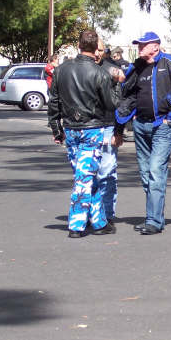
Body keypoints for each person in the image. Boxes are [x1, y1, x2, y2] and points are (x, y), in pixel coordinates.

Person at [116, 31, 171, 235]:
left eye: (143, 44)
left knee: (156, 171)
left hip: (162, 127)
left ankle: (153, 221)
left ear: (155, 46)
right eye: (138, 44)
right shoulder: (136, 67)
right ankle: (155, 217)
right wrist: (128, 117)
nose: (139, 48)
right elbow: (126, 92)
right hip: (140, 126)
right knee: (145, 174)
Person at [47, 30, 121, 238]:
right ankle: (77, 224)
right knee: (84, 177)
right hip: (92, 128)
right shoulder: (100, 73)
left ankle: (99, 221)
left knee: (86, 175)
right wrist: (116, 83)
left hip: (71, 128)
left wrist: (56, 129)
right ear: (96, 48)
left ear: (79, 46)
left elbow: (54, 102)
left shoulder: (61, 70)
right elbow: (111, 104)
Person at [95, 38, 126, 228]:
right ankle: (92, 213)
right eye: (94, 49)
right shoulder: (81, 68)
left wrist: (119, 130)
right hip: (87, 127)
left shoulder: (112, 69)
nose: (97, 53)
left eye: (100, 50)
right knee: (89, 174)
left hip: (108, 126)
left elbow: (120, 103)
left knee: (107, 172)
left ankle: (107, 214)